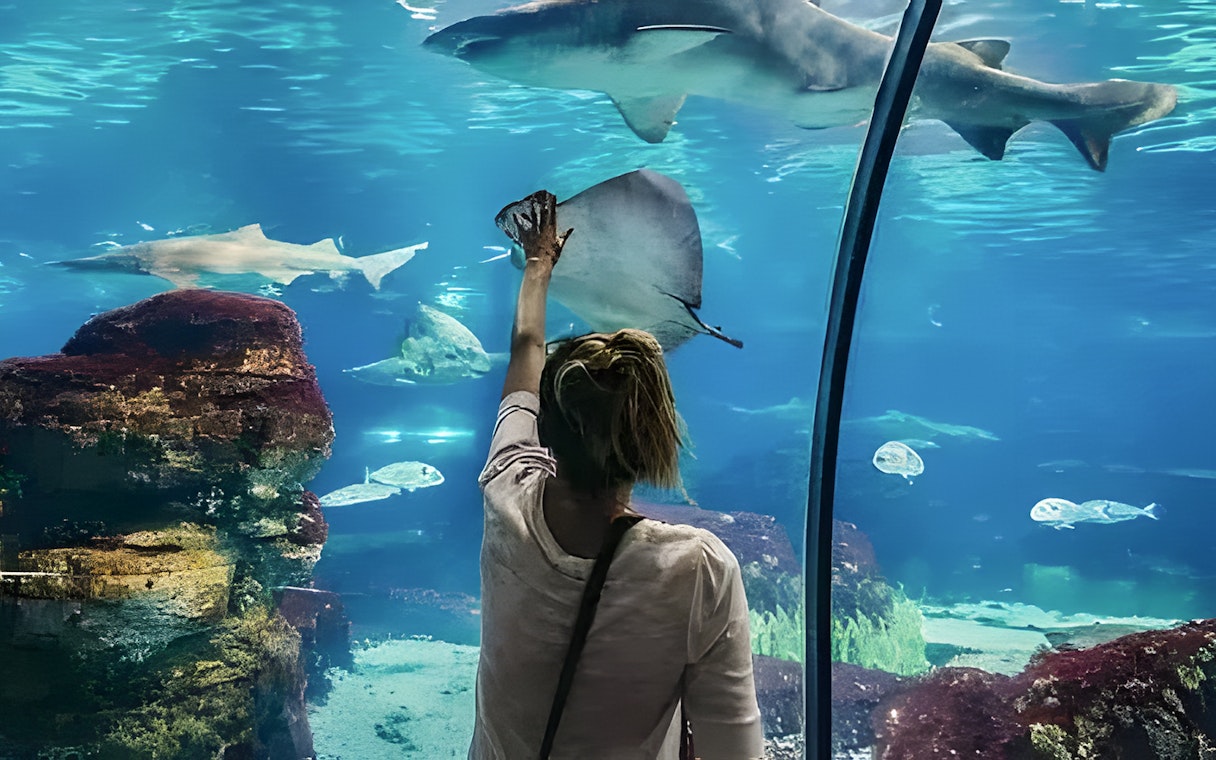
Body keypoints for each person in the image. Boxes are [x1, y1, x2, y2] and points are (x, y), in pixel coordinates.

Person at [470, 189, 764, 759]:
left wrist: (538, 263)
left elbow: (527, 351)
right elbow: (733, 744)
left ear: (545, 431)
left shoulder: (506, 492)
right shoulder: (698, 568)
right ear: (657, 440)